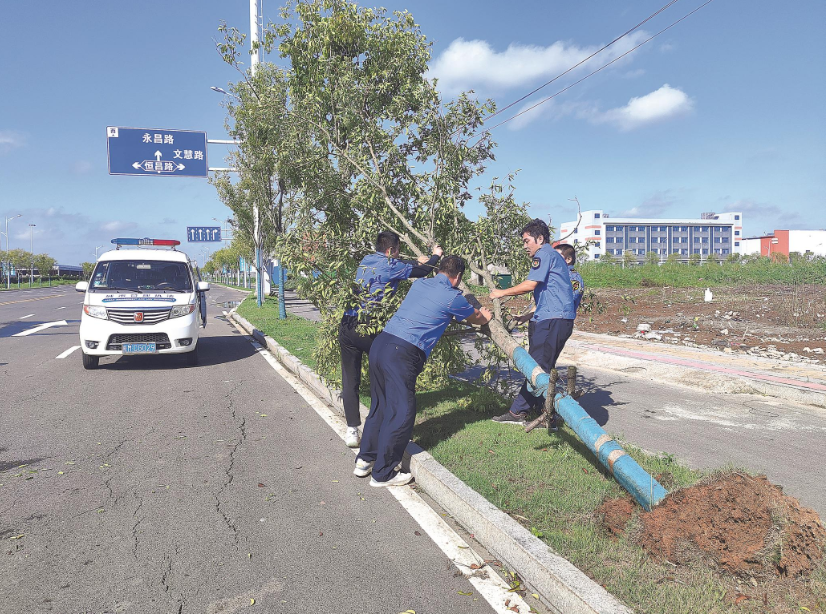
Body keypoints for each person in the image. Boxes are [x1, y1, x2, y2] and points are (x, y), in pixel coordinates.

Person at [354, 255, 492, 486]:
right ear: (457, 277)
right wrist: (484, 316)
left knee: (380, 406)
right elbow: (476, 318)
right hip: (401, 353)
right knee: (401, 411)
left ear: (439, 270)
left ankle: (364, 461)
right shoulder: (452, 297)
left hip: (381, 344)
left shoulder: (420, 284)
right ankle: (383, 473)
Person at [339, 231, 443, 448]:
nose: (397, 255)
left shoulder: (367, 260)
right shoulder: (391, 264)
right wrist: (435, 256)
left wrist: (415, 260)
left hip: (347, 324)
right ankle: (380, 426)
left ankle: (351, 429)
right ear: (390, 250)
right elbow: (422, 271)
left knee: (350, 380)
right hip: (370, 326)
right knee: (382, 376)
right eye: (396, 251)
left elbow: (402, 265)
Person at [489, 219, 576, 428]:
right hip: (552, 318)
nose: (525, 245)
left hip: (552, 320)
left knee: (536, 368)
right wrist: (528, 316)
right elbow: (550, 293)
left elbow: (531, 284)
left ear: (540, 238)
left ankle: (521, 412)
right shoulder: (552, 256)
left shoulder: (544, 254)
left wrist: (501, 292)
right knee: (542, 367)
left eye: (527, 240)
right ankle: (545, 413)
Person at [554, 243, 584, 314]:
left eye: (557, 257)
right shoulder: (556, 274)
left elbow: (569, 298)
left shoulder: (573, 277)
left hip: (562, 318)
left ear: (568, 259)